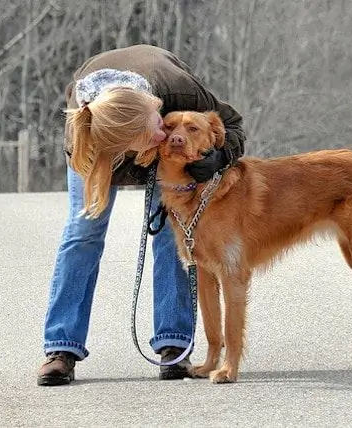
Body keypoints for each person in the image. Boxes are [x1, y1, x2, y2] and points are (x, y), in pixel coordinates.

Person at [37, 44, 246, 386]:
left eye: (158, 124)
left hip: (162, 150)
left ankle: (173, 346)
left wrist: (219, 157)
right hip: (99, 149)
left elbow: (233, 126)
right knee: (83, 232)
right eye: (154, 135)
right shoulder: (85, 134)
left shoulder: (180, 93)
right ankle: (61, 348)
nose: (165, 134)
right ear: (125, 146)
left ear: (155, 109)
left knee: (172, 234)